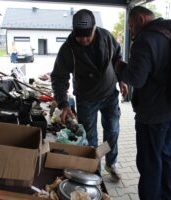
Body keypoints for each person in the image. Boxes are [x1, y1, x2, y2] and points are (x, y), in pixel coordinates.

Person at [115, 6, 171, 200]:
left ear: (141, 18)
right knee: (165, 155)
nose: (131, 30)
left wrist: (119, 66)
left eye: (131, 25)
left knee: (150, 163)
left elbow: (136, 79)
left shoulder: (146, 39)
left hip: (155, 116)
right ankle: (168, 196)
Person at [51, 9, 128, 182]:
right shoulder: (68, 49)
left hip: (110, 95)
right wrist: (64, 103)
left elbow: (117, 57)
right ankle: (95, 170)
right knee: (90, 139)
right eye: (80, 36)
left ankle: (111, 162)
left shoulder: (106, 37)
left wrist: (122, 79)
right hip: (87, 99)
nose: (84, 40)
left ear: (94, 28)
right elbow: (58, 77)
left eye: (88, 35)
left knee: (112, 132)